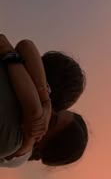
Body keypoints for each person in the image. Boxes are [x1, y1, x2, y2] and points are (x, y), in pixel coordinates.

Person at [0, 34, 88, 168]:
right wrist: (45, 101)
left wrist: (8, 51)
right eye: (55, 110)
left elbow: (34, 113)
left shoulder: (13, 142)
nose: (50, 112)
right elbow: (26, 45)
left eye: (52, 121)